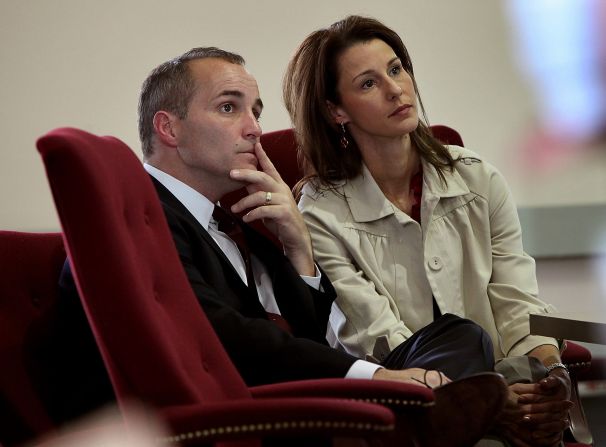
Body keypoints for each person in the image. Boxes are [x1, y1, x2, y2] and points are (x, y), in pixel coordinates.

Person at [55, 46, 507, 447]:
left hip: (293, 398)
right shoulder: (139, 219)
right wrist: (376, 378)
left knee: (460, 334)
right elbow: (219, 334)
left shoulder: (234, 222)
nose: (254, 129)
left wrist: (298, 248)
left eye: (256, 110)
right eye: (229, 108)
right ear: (169, 129)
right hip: (232, 422)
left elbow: (305, 331)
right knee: (446, 398)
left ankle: (419, 425)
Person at [285, 15, 573, 447]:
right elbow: (377, 338)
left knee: (533, 398)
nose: (395, 88)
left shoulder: (479, 179)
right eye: (367, 83)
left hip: (501, 383)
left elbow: (517, 303)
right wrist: (486, 400)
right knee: (467, 342)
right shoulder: (322, 212)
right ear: (335, 110)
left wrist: (548, 372)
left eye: (397, 68)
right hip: (402, 403)